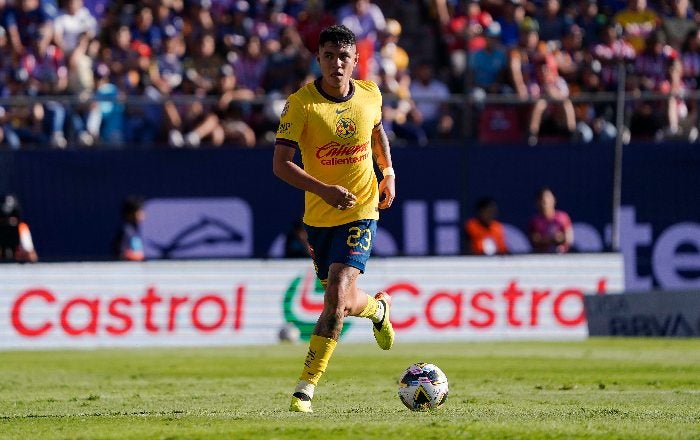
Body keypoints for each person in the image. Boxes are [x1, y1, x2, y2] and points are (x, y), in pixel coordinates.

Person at [272, 24, 396, 413]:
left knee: (336, 295)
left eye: (344, 57)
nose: (337, 64)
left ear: (356, 60)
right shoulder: (301, 105)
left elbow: (377, 133)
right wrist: (324, 190)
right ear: (319, 59)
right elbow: (280, 165)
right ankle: (377, 309)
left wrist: (387, 171)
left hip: (362, 208)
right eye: (329, 56)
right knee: (339, 301)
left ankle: (305, 388)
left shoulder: (371, 94)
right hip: (320, 216)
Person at [527, 187, 573, 254]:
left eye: (548, 198)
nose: (545, 202)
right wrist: (553, 239)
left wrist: (544, 239)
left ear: (554, 200)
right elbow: (534, 241)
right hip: (542, 258)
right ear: (537, 202)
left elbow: (568, 239)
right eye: (542, 200)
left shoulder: (563, 217)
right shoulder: (534, 221)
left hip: (562, 257)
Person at [0, 193, 38, 263]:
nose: (9, 221)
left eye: (12, 217)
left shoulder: (21, 228)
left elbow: (32, 257)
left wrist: (21, 253)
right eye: (4, 217)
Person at [113, 195, 145, 261]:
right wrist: (134, 256)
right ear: (129, 214)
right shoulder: (125, 231)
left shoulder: (135, 231)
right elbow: (119, 253)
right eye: (139, 212)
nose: (142, 215)